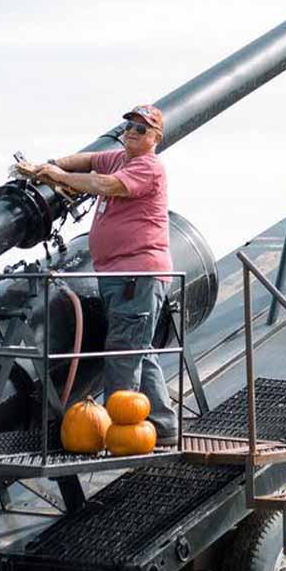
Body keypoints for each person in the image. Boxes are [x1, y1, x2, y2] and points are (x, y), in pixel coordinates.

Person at [35, 104, 177, 445]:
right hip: (120, 274)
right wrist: (52, 164)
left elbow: (105, 185)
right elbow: (88, 161)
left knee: (123, 352)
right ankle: (164, 425)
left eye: (142, 129)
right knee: (136, 349)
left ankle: (122, 434)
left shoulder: (148, 167)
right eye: (129, 125)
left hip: (136, 274)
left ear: (156, 138)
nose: (131, 131)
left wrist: (59, 178)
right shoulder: (119, 157)